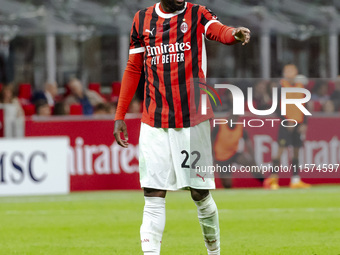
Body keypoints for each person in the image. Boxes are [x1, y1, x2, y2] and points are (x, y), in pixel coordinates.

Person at [113, 1, 250, 254]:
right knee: (153, 196)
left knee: (199, 194)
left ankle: (214, 252)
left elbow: (217, 30)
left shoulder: (197, 13)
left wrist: (234, 33)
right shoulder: (141, 20)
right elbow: (134, 68)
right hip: (154, 121)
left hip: (192, 120)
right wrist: (120, 114)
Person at [265, 64, 311, 190]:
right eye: (287, 71)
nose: (290, 73)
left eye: (292, 71)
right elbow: (276, 107)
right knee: (280, 151)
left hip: (298, 125)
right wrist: (286, 120)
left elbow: (305, 106)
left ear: (296, 72)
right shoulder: (280, 87)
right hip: (285, 124)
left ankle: (295, 180)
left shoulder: (301, 87)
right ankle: (273, 179)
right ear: (284, 73)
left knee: (296, 152)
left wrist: (304, 123)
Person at [212, 114, 265, 189]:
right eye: (231, 117)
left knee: (250, 164)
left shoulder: (240, 128)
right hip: (221, 156)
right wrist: (213, 157)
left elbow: (249, 145)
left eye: (235, 118)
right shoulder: (219, 126)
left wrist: (253, 161)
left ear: (237, 119)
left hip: (233, 153)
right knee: (227, 182)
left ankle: (264, 183)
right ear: (228, 118)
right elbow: (211, 141)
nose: (233, 120)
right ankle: (228, 192)